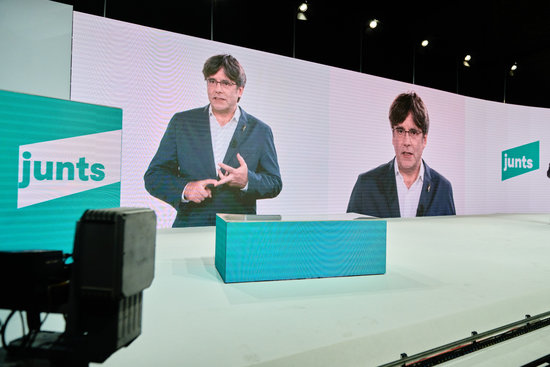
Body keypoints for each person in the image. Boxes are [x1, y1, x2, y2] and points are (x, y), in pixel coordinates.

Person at [144, 54, 282, 227]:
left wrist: (247, 181)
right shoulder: (182, 122)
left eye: (225, 83)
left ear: (240, 90)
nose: (217, 89)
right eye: (212, 81)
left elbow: (274, 183)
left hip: (237, 234)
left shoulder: (260, 131)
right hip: (190, 230)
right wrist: (186, 188)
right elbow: (154, 176)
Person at [347, 91, 455, 218]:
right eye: (400, 131)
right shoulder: (366, 185)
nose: (406, 141)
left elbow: (450, 237)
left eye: (414, 132)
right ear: (393, 136)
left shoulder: (442, 189)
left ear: (424, 140)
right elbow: (350, 236)